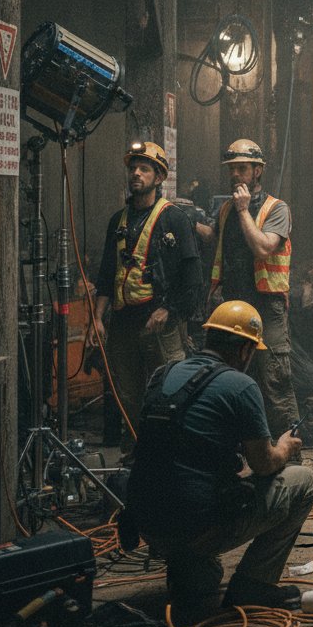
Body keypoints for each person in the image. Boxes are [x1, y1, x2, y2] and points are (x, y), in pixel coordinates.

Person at [126, 300, 313, 622]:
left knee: (204, 578)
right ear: (245, 350)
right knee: (304, 481)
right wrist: (284, 447)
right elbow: (265, 464)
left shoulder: (163, 373)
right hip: (196, 526)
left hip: (147, 521)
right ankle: (254, 586)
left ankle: (186, 570)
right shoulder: (241, 386)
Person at [89, 142, 202, 458]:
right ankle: (136, 460)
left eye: (145, 169)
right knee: (129, 397)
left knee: (171, 394)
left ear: (158, 177)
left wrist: (170, 310)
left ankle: (174, 460)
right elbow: (107, 273)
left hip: (159, 324)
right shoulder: (119, 220)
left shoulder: (174, 219)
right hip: (124, 323)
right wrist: (97, 317)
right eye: (133, 168)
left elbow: (193, 277)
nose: (136, 173)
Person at [209, 138, 299, 437]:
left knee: (273, 378)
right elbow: (216, 241)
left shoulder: (277, 208)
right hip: (232, 303)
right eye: (232, 168)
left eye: (243, 168)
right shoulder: (225, 210)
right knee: (230, 377)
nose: (235, 174)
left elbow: (263, 248)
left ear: (257, 171)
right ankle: (242, 450)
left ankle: (290, 453)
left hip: (266, 304)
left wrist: (244, 210)